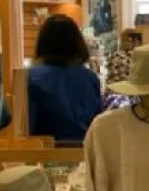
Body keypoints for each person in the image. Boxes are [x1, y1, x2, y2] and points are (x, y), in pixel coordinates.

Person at [28, 14, 102, 144]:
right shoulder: (89, 78)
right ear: (78, 42)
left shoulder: (31, 77)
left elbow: (27, 126)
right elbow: (97, 123)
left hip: (46, 150)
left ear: (43, 43)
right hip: (84, 149)